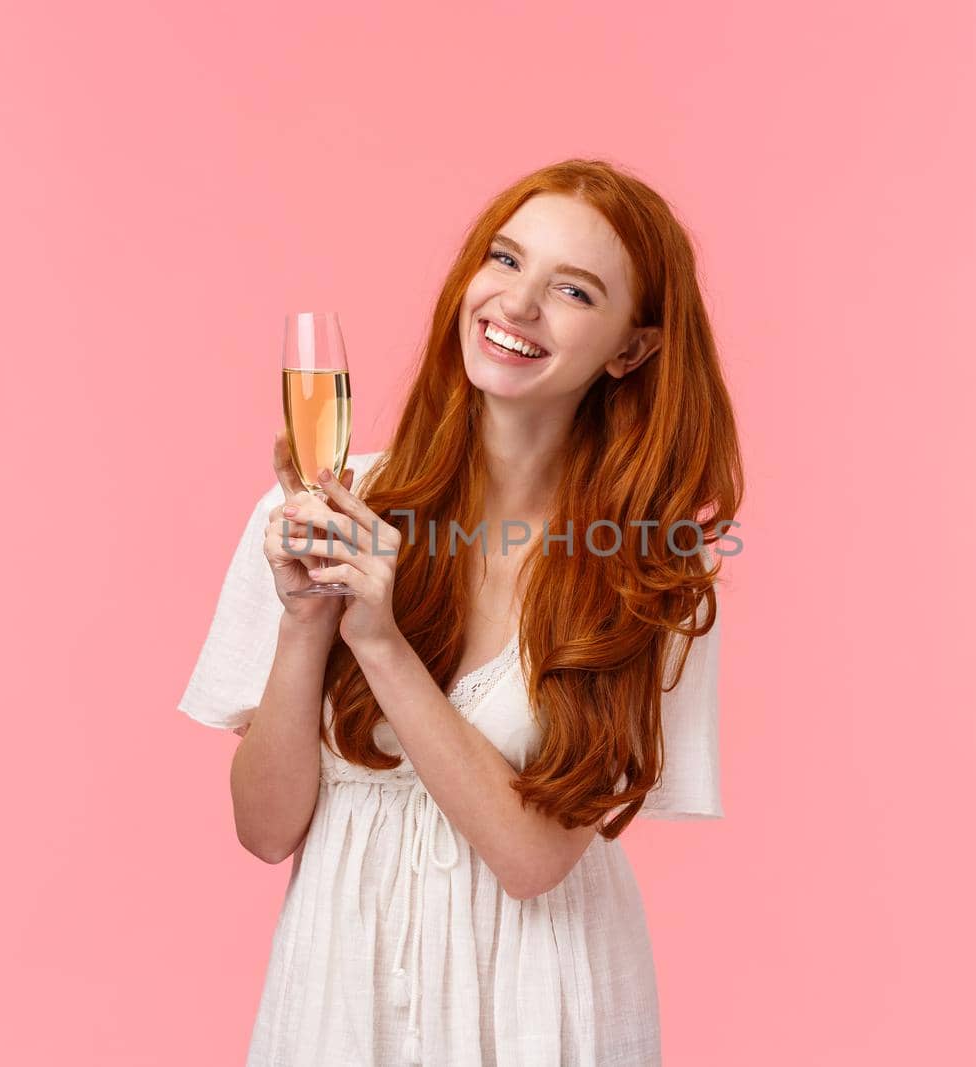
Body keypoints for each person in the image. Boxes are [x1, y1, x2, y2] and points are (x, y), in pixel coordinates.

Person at [178, 158, 744, 1066]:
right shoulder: (334, 510)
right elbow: (265, 829)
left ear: (629, 350)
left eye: (572, 289)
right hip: (340, 989)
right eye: (506, 259)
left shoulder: (646, 566)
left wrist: (378, 636)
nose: (517, 306)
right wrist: (307, 621)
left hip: (538, 1001)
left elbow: (531, 860)